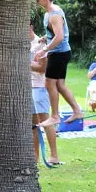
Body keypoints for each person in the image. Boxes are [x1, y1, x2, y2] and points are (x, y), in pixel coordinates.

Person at [32, 0, 84, 127]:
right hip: (61, 53)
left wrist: (44, 50)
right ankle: (77, 111)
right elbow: (56, 33)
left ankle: (55, 116)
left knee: (49, 84)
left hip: (58, 54)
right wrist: (45, 38)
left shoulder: (54, 14)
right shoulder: (49, 13)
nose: (37, 1)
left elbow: (60, 36)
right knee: (59, 85)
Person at [30, 23, 59, 165]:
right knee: (33, 124)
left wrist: (24, 63)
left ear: (30, 26)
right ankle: (35, 157)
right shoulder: (19, 45)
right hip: (27, 88)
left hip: (39, 87)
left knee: (45, 120)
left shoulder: (40, 44)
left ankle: (54, 155)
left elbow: (43, 68)